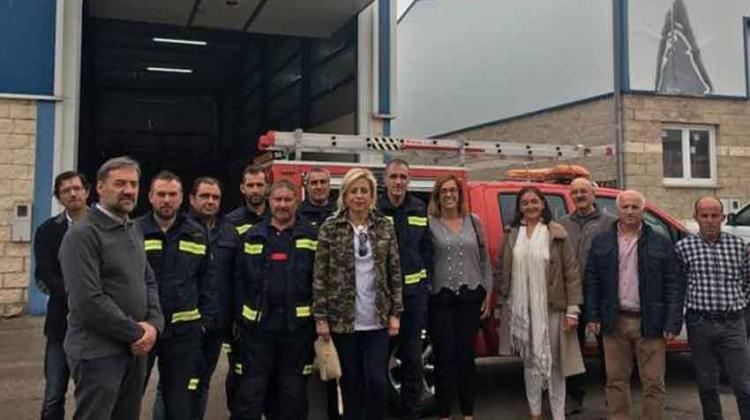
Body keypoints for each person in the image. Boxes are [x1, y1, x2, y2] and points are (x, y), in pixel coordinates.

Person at [59, 156, 164, 420]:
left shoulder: (132, 228)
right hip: (98, 354)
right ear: (100, 187)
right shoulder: (83, 235)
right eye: (119, 183)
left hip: (135, 351)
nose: (128, 190)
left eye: (133, 183)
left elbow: (148, 280)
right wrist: (137, 332)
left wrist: (154, 324)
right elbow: (88, 301)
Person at [585, 190, 684, 420]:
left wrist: (672, 321)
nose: (629, 211)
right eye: (625, 207)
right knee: (615, 380)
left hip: (650, 321)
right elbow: (592, 280)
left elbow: (673, 283)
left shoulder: (661, 241)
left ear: (643, 210)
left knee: (653, 382)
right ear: (617, 210)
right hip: (614, 320)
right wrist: (593, 315)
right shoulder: (602, 240)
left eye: (635, 207)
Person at [313, 167, 403, 420]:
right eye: (354, 191)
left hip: (377, 320)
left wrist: (395, 313)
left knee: (377, 382)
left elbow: (394, 271)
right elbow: (320, 276)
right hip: (343, 321)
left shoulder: (384, 227)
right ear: (345, 195)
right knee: (350, 384)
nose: (359, 196)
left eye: (364, 191)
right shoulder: (330, 228)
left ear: (372, 195)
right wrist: (321, 318)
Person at [496, 186, 585, 420]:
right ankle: (534, 413)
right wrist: (501, 301)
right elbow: (502, 269)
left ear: (543, 204)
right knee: (530, 363)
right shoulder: (511, 234)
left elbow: (571, 273)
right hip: (521, 310)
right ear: (519, 207)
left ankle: (558, 414)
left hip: (552, 308)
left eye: (534, 201)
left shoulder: (556, 233)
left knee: (555, 364)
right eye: (525, 203)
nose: (530, 206)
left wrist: (573, 310)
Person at [232, 179, 318, 419]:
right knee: (250, 393)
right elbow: (238, 279)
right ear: (270, 201)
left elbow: (320, 280)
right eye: (277, 199)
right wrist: (242, 316)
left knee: (293, 396)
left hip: (297, 331)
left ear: (296, 202)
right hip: (258, 331)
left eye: (287, 200)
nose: (282, 205)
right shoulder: (252, 235)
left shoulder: (312, 235)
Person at [137, 171, 219, 419]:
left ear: (182, 198)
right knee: (130, 395)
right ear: (150, 197)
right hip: (144, 329)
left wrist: (203, 322)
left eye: (172, 194)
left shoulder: (196, 232)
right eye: (161, 194)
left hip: (184, 333)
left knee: (179, 402)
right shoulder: (134, 231)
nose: (166, 200)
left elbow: (207, 280)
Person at [675, 196, 750, 419]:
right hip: (700, 324)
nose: (709, 220)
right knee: (707, 384)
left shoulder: (739, 246)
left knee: (743, 383)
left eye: (714, 215)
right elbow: (680, 284)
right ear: (695, 217)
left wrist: (737, 304)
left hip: (733, 323)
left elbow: (747, 280)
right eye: (704, 215)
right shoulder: (683, 248)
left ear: (723, 217)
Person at [427, 174, 492, 420]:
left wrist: (488, 290)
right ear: (437, 195)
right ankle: (444, 413)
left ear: (459, 194)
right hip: (441, 299)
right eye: (443, 191)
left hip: (470, 298)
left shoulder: (473, 222)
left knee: (467, 359)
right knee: (443, 360)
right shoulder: (429, 223)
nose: (449, 195)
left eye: (453, 190)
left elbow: (484, 259)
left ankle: (467, 413)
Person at [376, 159, 433, 419]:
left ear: (408, 180)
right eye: (394, 176)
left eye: (403, 177)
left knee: (412, 360)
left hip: (413, 299)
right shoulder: (374, 209)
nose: (398, 182)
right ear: (385, 180)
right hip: (380, 299)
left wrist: (426, 281)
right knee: (376, 362)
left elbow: (427, 248)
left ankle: (411, 413)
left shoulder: (419, 208)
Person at [557, 177, 616, 415]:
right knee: (573, 349)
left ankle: (612, 396)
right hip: (572, 296)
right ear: (570, 196)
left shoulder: (610, 223)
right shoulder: (561, 223)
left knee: (608, 349)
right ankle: (575, 396)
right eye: (575, 192)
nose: (580, 195)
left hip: (602, 296)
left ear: (594, 194)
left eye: (584, 191)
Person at [34, 171, 90, 420]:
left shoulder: (104, 226)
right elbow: (45, 273)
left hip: (95, 328)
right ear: (59, 197)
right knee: (53, 395)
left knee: (90, 395)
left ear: (87, 192)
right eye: (66, 190)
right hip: (60, 325)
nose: (73, 193)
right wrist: (76, 297)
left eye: (77, 188)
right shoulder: (47, 231)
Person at [188, 177, 240, 418]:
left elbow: (237, 276)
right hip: (185, 323)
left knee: (203, 382)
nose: (210, 201)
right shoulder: (181, 228)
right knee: (176, 385)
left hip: (217, 322)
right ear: (192, 199)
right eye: (205, 196)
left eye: (215, 197)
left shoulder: (230, 231)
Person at [224, 164, 271, 409]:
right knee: (240, 377)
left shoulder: (279, 218)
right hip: (242, 317)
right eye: (250, 185)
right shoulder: (231, 222)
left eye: (259, 185)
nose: (255, 190)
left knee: (269, 380)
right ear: (243, 188)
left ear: (267, 187)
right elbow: (227, 273)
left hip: (272, 317)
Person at [295, 166, 340, 420]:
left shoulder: (339, 213)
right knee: (301, 370)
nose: (319, 187)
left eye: (323, 182)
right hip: (303, 303)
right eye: (314, 183)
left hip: (335, 303)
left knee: (335, 369)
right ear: (306, 185)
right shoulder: (297, 215)